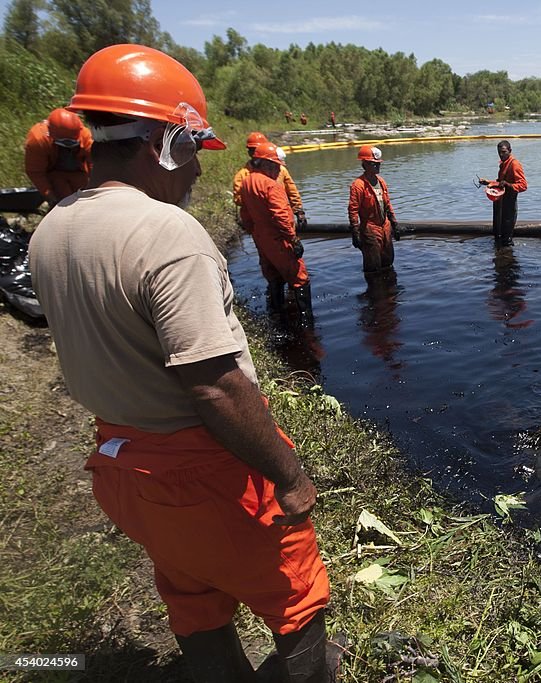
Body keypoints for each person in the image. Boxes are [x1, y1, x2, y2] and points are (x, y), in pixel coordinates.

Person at [27, 44, 334, 682]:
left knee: (193, 598)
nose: (198, 172)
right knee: (299, 604)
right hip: (206, 475)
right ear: (165, 143)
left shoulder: (53, 227)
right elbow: (215, 387)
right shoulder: (166, 233)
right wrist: (290, 475)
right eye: (193, 149)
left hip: (123, 467)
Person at [239, 141, 313, 327]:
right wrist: (293, 239)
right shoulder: (271, 185)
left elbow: (245, 213)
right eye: (276, 167)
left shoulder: (247, 181)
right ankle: (306, 323)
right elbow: (281, 216)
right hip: (279, 238)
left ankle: (277, 315)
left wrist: (254, 232)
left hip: (261, 237)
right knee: (299, 277)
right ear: (267, 164)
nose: (278, 171)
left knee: (273, 276)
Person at [233, 131, 307, 231]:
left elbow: (292, 191)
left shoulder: (280, 170)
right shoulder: (243, 175)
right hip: (261, 223)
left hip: (283, 217)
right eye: (253, 150)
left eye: (258, 149)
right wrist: (262, 198)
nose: (256, 152)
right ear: (249, 152)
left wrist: (299, 211)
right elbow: (238, 199)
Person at [23, 107, 93, 206]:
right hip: (54, 174)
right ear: (51, 134)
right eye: (64, 142)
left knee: (85, 203)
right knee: (64, 203)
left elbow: (94, 164)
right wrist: (50, 197)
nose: (68, 145)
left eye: (72, 142)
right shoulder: (37, 140)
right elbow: (36, 172)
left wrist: (96, 190)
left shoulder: (86, 136)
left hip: (79, 174)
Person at [348, 144, 399, 275]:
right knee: (373, 266)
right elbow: (353, 210)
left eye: (378, 164)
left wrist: (394, 224)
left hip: (385, 226)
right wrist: (355, 232)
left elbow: (387, 204)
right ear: (365, 164)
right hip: (370, 228)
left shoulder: (381, 181)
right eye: (373, 164)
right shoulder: (358, 185)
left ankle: (390, 292)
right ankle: (375, 293)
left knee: (388, 262)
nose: (377, 166)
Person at [477, 140, 528, 247]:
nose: (501, 155)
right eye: (499, 152)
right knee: (498, 232)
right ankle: (500, 254)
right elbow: (501, 182)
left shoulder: (514, 164)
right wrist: (488, 182)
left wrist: (508, 185)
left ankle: (507, 258)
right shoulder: (503, 164)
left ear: (510, 151)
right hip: (500, 201)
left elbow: (523, 186)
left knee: (506, 235)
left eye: (504, 152)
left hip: (509, 202)